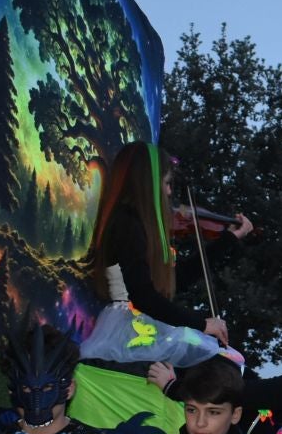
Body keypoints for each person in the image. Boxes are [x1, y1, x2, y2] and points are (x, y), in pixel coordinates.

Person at [81, 140, 240, 368]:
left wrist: (228, 241)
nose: (168, 191)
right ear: (147, 183)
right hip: (128, 329)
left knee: (229, 364)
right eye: (166, 183)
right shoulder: (127, 225)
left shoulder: (133, 225)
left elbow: (175, 281)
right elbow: (144, 297)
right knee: (225, 365)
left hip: (138, 326)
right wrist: (202, 324)